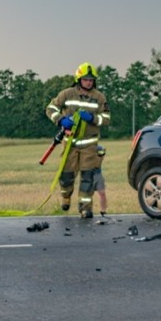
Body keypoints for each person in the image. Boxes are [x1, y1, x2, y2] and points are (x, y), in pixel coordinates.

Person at [45, 62, 110, 218]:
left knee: (88, 177)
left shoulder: (99, 97)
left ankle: (85, 208)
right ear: (79, 79)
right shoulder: (67, 94)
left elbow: (106, 119)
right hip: (70, 144)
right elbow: (50, 108)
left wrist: (92, 118)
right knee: (66, 176)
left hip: (89, 144)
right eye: (86, 79)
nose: (89, 82)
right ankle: (66, 196)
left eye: (91, 79)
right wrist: (61, 120)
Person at [91, 145, 107, 216]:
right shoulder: (85, 148)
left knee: (102, 192)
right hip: (88, 174)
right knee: (87, 195)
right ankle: (87, 210)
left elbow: (102, 154)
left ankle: (103, 210)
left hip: (97, 173)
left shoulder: (99, 148)